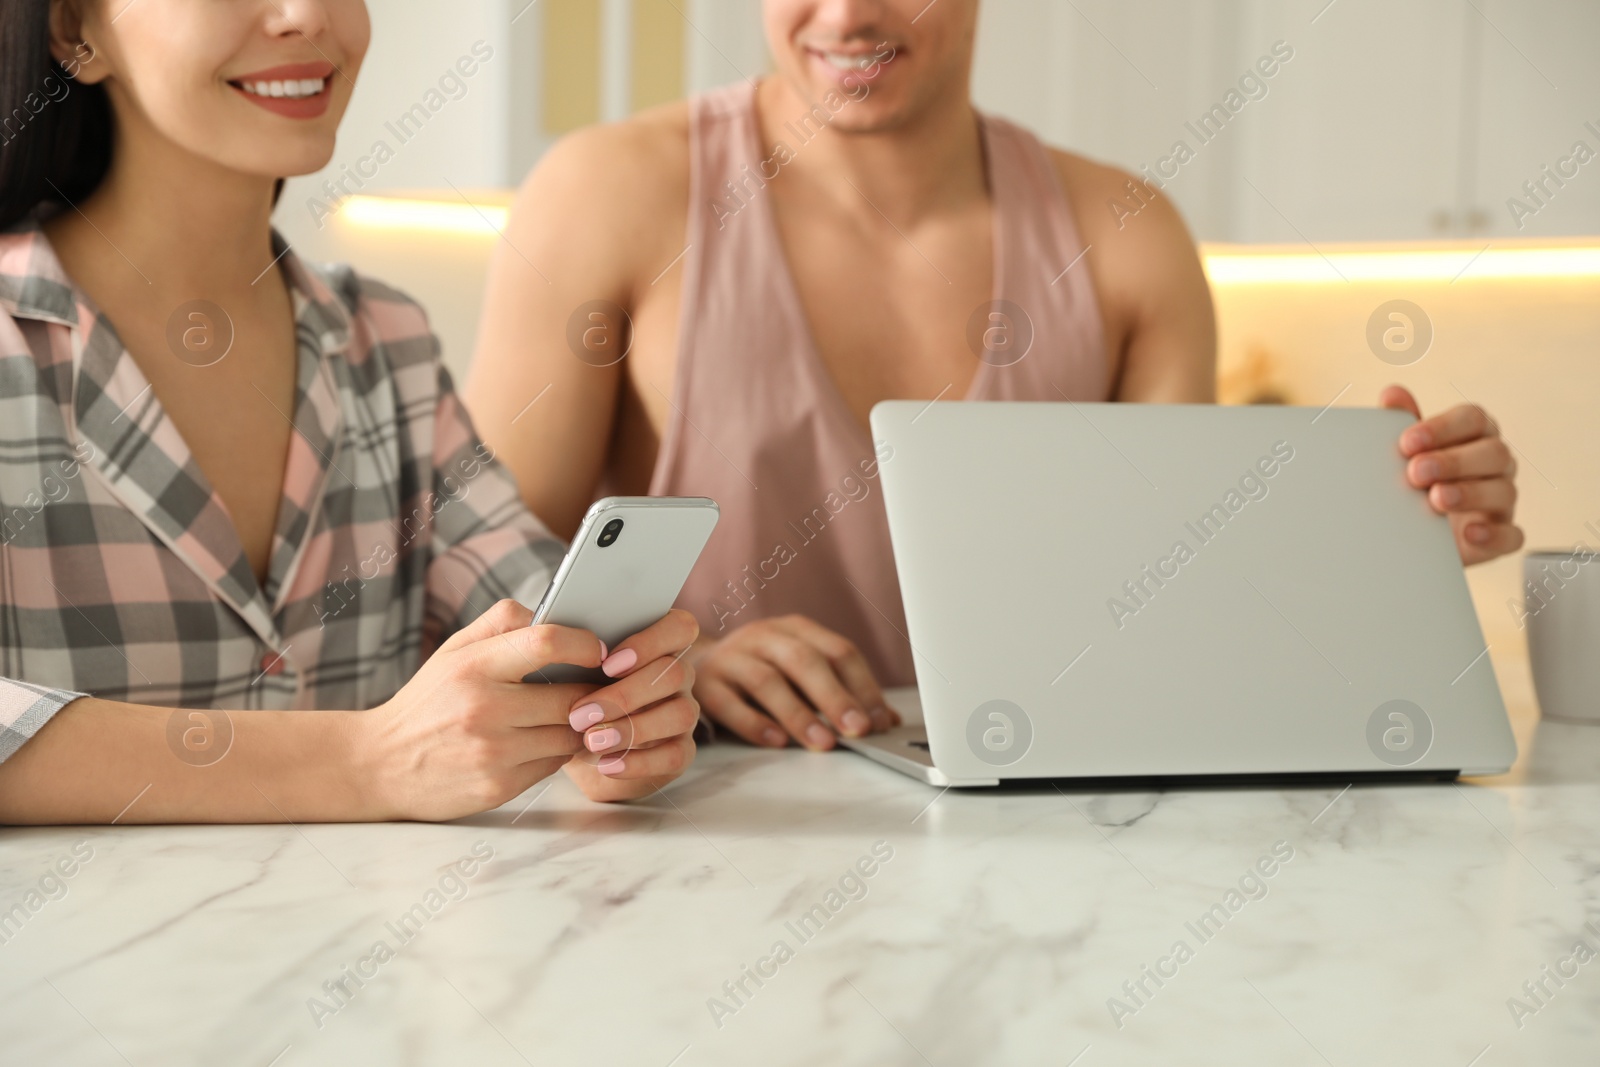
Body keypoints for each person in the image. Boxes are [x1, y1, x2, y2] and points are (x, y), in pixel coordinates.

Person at [465, 0, 1523, 754]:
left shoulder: (1127, 237)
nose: (844, 15)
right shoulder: (603, 194)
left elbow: (1180, 609)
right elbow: (473, 586)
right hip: (698, 808)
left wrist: (1395, 535)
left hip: (1027, 824)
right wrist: (678, 664)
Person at [0, 0, 700, 825]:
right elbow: (391, 757)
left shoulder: (386, 342)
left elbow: (532, 609)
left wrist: (611, 706)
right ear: (73, 33)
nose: (304, 15)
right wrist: (367, 762)